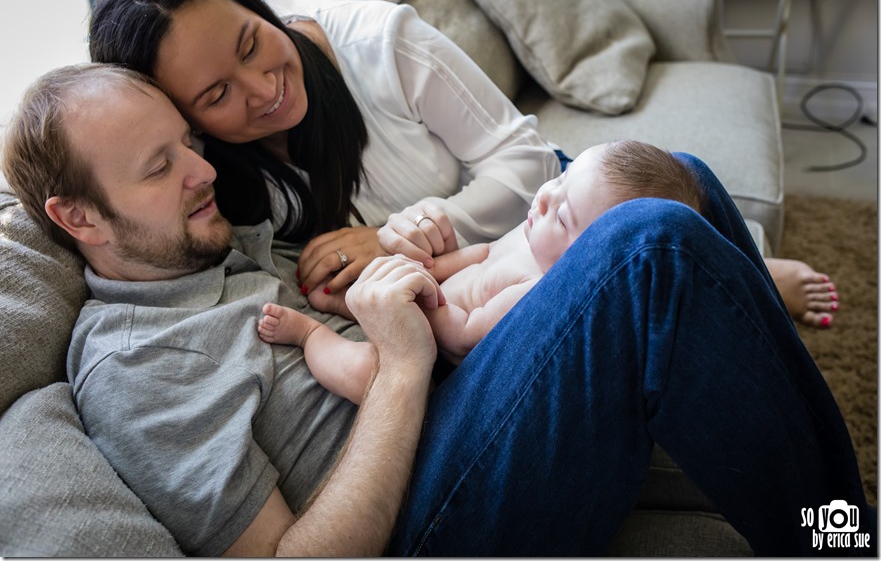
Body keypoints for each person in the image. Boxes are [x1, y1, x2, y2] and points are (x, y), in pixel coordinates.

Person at [4, 62, 875, 557]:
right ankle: (835, 542)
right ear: (76, 218)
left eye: (187, 145)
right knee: (646, 241)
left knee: (660, 173)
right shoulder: (138, 363)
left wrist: (395, 245)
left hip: (453, 398)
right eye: (159, 168)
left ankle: (810, 481)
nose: (201, 172)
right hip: (429, 519)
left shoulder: (212, 239)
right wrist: (405, 366)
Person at [86, 0, 839, 329]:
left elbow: (525, 159)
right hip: (464, 288)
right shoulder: (208, 173)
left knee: (681, 180)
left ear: (260, 8)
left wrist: (384, 237)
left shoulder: (382, 41)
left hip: (538, 206)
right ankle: (727, 279)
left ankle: (746, 271)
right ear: (182, 119)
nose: (263, 90)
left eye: (253, 42)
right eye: (216, 95)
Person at [261, 140, 705, 368]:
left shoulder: (536, 289)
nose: (544, 198)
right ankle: (348, 305)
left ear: (587, 263)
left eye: (563, 216)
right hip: (427, 301)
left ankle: (309, 336)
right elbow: (482, 254)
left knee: (362, 373)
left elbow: (463, 335)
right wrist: (427, 268)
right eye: (560, 180)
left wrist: (417, 298)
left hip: (435, 357)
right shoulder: (533, 235)